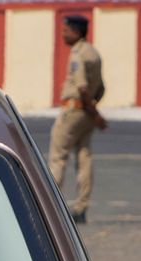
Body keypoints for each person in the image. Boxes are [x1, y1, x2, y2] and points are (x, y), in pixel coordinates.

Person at [47, 15, 104, 223]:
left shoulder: (78, 54)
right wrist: (93, 111)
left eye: (66, 31)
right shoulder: (93, 53)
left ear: (77, 32)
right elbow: (101, 88)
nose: (63, 34)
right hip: (87, 112)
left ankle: (49, 205)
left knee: (58, 156)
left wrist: (94, 113)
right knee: (84, 157)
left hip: (74, 109)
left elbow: (81, 86)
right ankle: (81, 207)